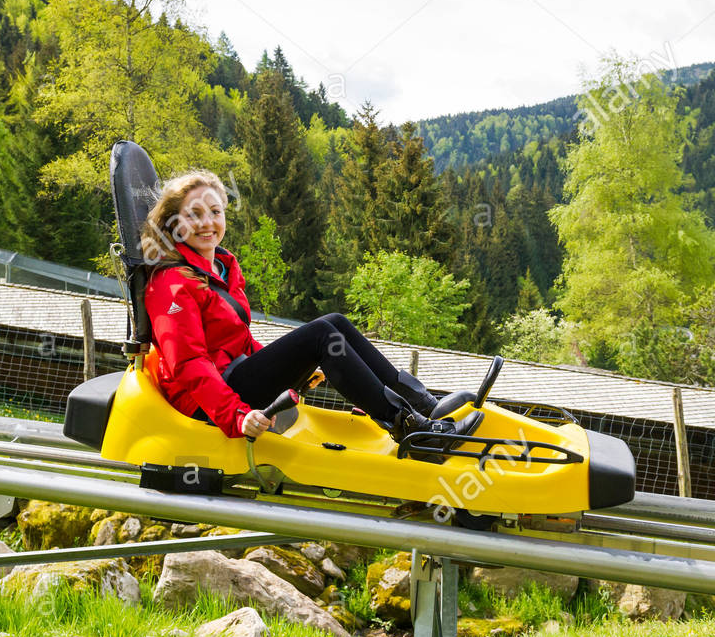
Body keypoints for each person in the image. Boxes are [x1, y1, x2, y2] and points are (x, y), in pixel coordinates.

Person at [140, 169, 475, 446]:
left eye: (215, 212)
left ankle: (422, 405)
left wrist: (293, 366)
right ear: (174, 224)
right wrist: (237, 415)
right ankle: (409, 429)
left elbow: (238, 345)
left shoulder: (221, 269)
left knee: (334, 322)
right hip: (206, 404)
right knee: (319, 336)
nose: (207, 223)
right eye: (194, 214)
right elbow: (188, 363)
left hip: (232, 380)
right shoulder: (171, 283)